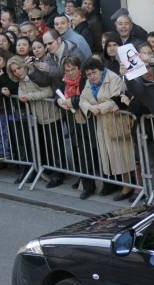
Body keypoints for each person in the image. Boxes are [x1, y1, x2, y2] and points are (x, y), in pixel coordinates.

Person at [79, 57, 136, 201]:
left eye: (94, 73)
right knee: (112, 156)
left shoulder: (113, 78)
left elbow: (115, 100)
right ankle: (123, 185)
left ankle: (131, 187)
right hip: (101, 122)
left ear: (101, 70)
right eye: (89, 74)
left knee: (124, 155)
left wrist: (97, 108)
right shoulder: (88, 82)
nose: (91, 77)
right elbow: (82, 100)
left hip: (117, 121)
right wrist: (91, 108)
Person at [7, 54, 65, 188]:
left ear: (24, 66)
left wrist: (29, 96)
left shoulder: (34, 76)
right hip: (38, 116)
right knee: (47, 146)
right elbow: (21, 93)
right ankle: (51, 170)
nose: (18, 72)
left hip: (50, 113)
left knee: (55, 146)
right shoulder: (21, 80)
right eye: (14, 71)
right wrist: (23, 96)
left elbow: (49, 92)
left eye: (19, 68)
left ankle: (59, 174)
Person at [55, 56, 98, 199]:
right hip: (73, 121)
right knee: (80, 153)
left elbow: (86, 97)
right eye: (67, 70)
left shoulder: (85, 80)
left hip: (88, 120)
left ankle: (91, 185)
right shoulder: (64, 81)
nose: (70, 73)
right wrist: (59, 101)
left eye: (73, 69)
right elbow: (56, 95)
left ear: (79, 69)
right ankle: (85, 182)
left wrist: (71, 101)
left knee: (90, 153)